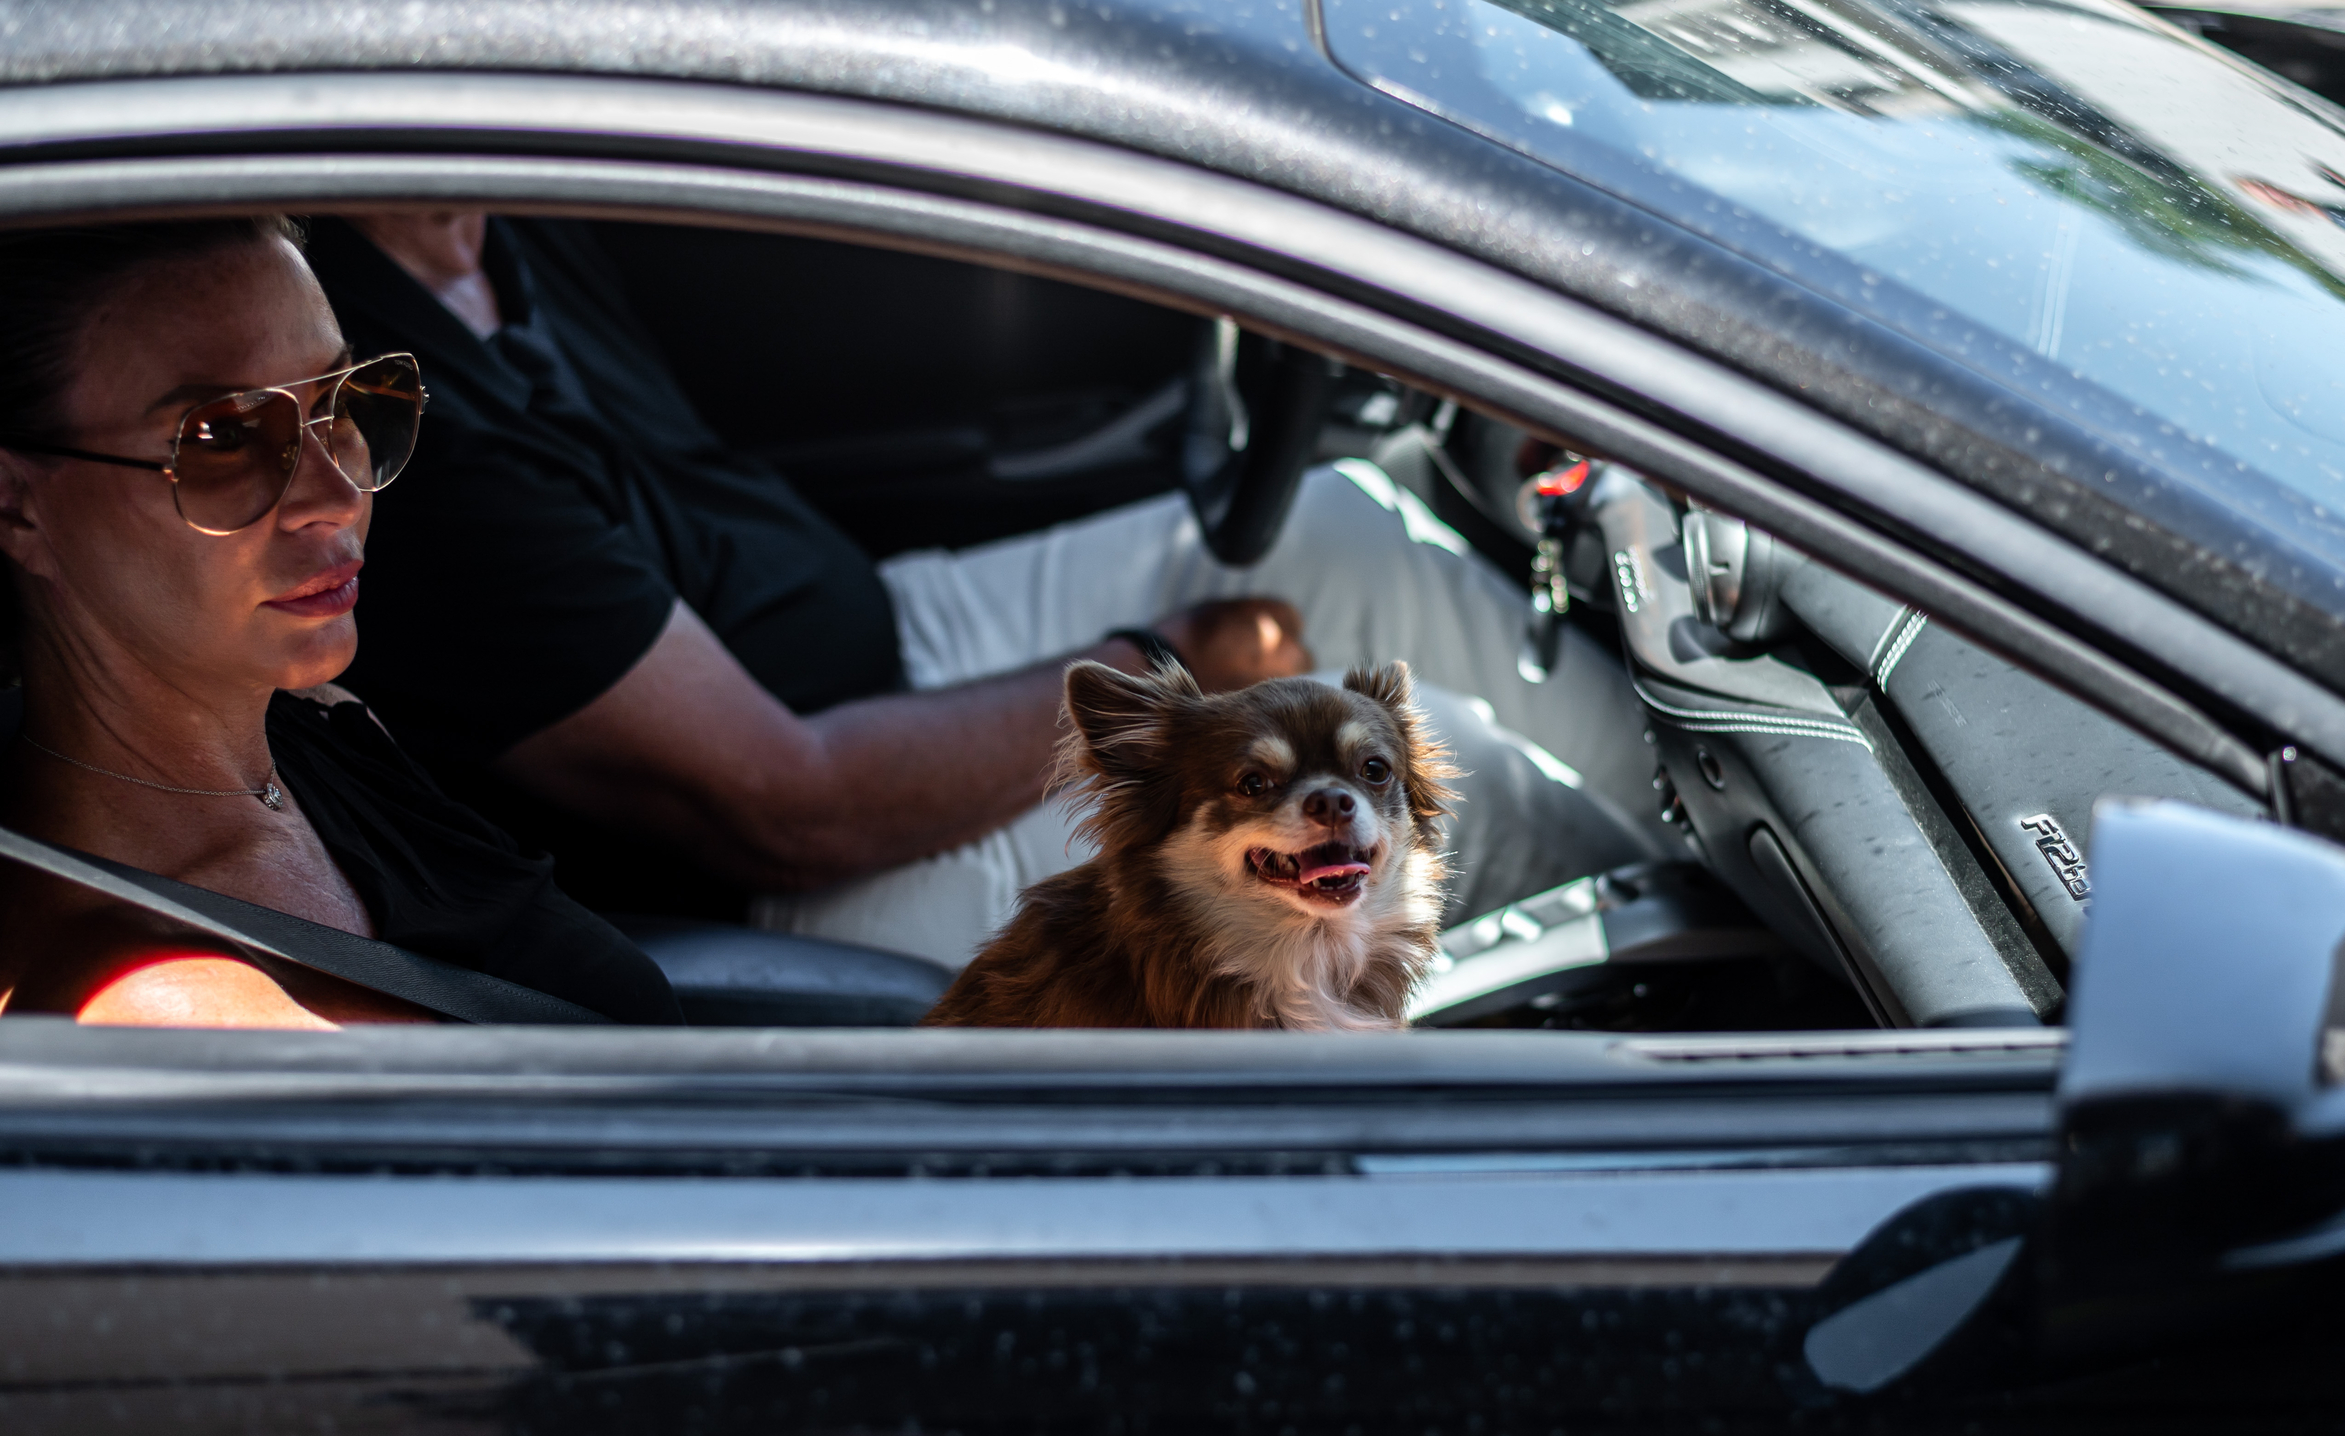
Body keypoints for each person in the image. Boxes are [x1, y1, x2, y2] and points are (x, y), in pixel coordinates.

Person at [310, 214, 1677, 970]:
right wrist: (1166, 670)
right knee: (1431, 785)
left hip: (891, 634)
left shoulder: (490, 221)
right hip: (819, 862)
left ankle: (1713, 819)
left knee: (1338, 522)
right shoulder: (404, 422)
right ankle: (1754, 986)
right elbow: (785, 807)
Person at [0, 217, 681, 1028]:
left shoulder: (321, 726)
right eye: (224, 437)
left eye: (339, 401)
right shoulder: (162, 997)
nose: (334, 496)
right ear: (17, 505)